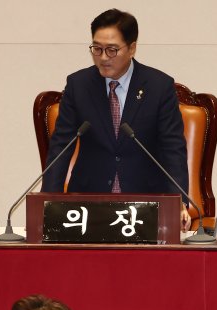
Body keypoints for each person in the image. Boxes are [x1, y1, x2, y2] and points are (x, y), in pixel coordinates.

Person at [41, 8, 191, 230]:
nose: (102, 57)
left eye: (111, 50)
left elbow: (173, 149)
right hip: (87, 205)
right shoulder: (78, 85)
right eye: (97, 49)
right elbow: (60, 148)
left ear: (131, 48)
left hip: (146, 204)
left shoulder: (159, 86)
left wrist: (179, 203)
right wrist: (48, 204)